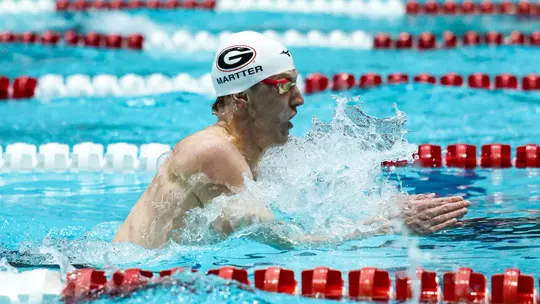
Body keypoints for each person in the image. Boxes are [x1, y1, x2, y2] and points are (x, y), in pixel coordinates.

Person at [113, 31, 470, 249]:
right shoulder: (212, 152)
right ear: (243, 98)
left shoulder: (255, 156)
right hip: (117, 281)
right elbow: (284, 241)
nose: (298, 98)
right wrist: (385, 223)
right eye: (283, 86)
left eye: (295, 83)